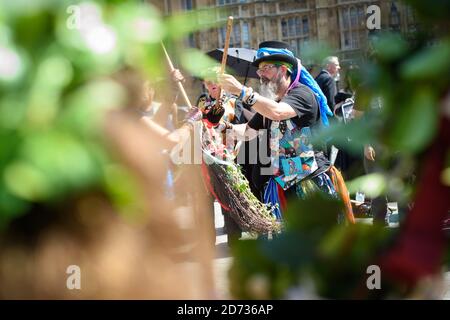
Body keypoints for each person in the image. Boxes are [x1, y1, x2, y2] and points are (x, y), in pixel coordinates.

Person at [216, 41, 349, 222]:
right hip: (281, 185)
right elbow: (248, 131)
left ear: (284, 69)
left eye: (266, 68)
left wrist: (242, 91)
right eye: (259, 70)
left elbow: (277, 113)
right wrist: (221, 126)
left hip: (309, 183)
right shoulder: (272, 103)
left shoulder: (302, 94)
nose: (261, 75)